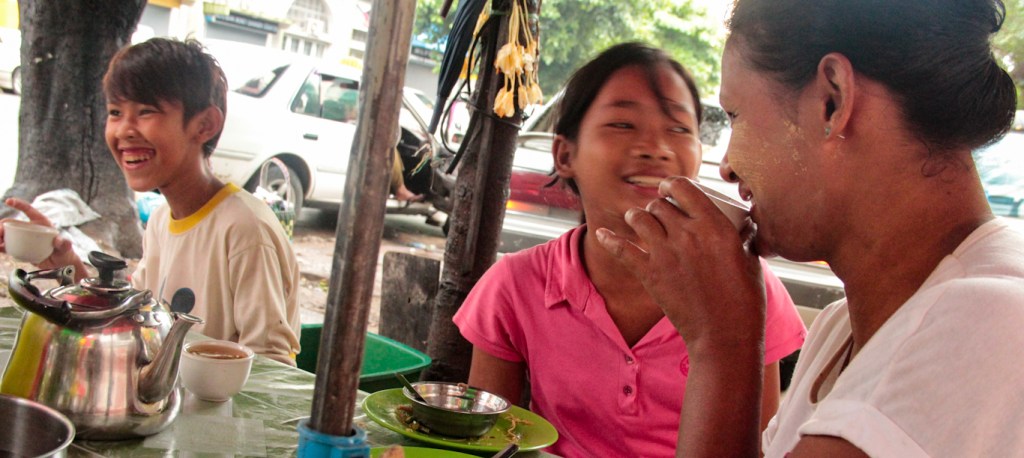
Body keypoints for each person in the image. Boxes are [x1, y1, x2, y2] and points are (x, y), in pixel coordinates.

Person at [597, 1, 1024, 456]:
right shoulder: (840, 327)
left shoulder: (984, 320)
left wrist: (722, 342)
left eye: (736, 116)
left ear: (832, 99)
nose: (726, 167)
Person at [453, 42, 807, 457]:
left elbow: (756, 445)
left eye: (678, 129)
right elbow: (489, 442)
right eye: (623, 124)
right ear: (565, 154)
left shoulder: (745, 287)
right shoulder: (514, 286)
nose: (655, 147)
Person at [0, 38, 302, 366]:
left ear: (204, 126)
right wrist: (64, 260)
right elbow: (129, 319)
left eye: (145, 112)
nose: (125, 130)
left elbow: (274, 365)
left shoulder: (244, 228)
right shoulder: (161, 220)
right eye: (116, 113)